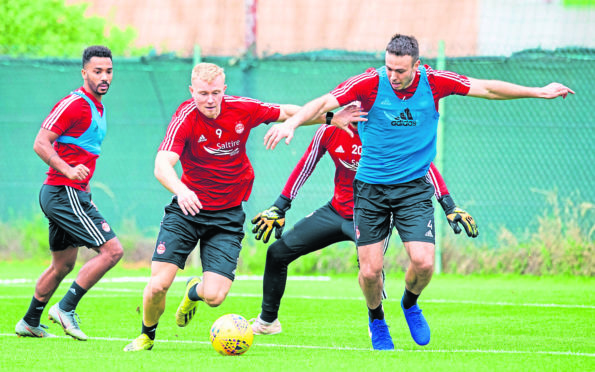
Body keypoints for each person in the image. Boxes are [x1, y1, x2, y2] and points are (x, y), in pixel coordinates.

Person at [262, 34, 574, 350]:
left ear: (417, 65)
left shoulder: (435, 82)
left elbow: (488, 88)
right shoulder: (369, 83)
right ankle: (377, 318)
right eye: (389, 69)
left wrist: (537, 91)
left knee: (424, 264)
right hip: (371, 190)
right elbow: (325, 102)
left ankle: (410, 303)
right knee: (370, 272)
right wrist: (293, 123)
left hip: (413, 190)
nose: (393, 76)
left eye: (400, 71)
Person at [123, 62, 364, 352]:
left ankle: (193, 291)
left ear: (224, 89)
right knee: (159, 284)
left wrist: (330, 118)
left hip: (227, 215)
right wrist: (182, 190)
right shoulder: (185, 117)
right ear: (192, 91)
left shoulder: (242, 108)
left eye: (215, 93)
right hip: (187, 211)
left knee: (214, 296)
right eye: (202, 93)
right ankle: (146, 335)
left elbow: (286, 112)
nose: (210, 100)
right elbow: (162, 165)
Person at [250, 117, 477, 336]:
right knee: (277, 252)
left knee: (370, 269)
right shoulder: (329, 130)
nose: (359, 113)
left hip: (374, 215)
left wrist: (449, 205)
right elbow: (305, 166)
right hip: (336, 211)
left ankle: (376, 319)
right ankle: (268, 321)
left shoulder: (389, 134)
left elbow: (424, 165)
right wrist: (280, 206)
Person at [15, 45, 124, 341]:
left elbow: (83, 155)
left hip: (70, 193)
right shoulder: (74, 103)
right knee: (112, 251)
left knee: (63, 264)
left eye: (109, 71)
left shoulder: (99, 108)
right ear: (84, 73)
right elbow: (41, 142)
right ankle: (66, 308)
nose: (104, 77)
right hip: (62, 191)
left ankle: (29, 321)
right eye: (97, 71)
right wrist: (67, 170)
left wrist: (85, 191)